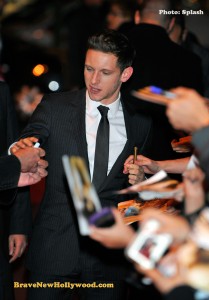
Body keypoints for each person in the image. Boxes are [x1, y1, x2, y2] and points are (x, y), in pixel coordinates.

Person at [11, 30, 153, 300]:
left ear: (125, 74)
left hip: (108, 259)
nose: (94, 80)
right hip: (54, 249)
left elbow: (139, 195)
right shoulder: (56, 106)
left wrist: (141, 184)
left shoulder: (141, 123)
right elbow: (29, 139)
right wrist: (22, 147)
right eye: (89, 69)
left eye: (105, 72)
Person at [122, 0, 203, 166]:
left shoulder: (115, 50)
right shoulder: (190, 61)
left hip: (115, 151)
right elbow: (193, 121)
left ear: (137, 16)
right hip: (165, 159)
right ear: (171, 23)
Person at [0, 81, 47, 300]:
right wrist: (16, 164)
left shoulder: (1, 90)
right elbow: (14, 162)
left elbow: (10, 146)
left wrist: (18, 225)